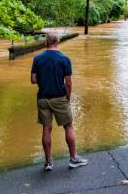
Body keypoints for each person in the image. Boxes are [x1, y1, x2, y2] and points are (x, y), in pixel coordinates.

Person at [31, 32, 88, 171]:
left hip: (43, 98)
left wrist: (45, 79)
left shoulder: (37, 58)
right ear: (58, 42)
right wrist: (67, 97)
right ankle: (73, 159)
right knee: (68, 126)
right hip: (59, 98)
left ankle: (48, 162)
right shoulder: (64, 58)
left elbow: (33, 80)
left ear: (46, 42)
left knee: (46, 128)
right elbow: (68, 82)